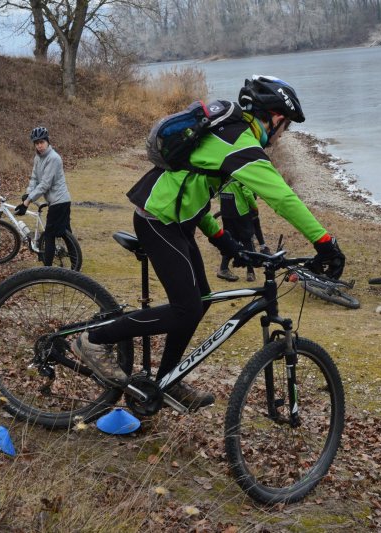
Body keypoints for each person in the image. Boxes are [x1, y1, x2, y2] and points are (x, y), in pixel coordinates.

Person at [72, 75, 345, 410]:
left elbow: (194, 188)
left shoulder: (229, 135)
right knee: (184, 307)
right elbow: (282, 197)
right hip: (157, 220)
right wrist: (324, 243)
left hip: (177, 221)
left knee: (198, 302)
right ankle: (94, 339)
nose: (282, 134)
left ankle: (167, 379)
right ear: (275, 118)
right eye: (285, 126)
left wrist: (222, 240)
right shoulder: (240, 143)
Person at [15, 127, 71, 267]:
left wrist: (27, 202)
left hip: (60, 201)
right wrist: (28, 193)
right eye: (36, 143)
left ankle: (47, 268)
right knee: (66, 232)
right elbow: (34, 178)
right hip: (55, 201)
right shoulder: (38, 158)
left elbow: (45, 184)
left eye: (42, 142)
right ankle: (75, 262)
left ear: (47, 142)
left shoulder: (54, 158)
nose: (39, 146)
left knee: (49, 235)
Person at [217, 180, 258, 282]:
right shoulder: (238, 175)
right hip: (241, 213)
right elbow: (248, 193)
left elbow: (218, 194)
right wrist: (254, 207)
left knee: (230, 241)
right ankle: (250, 272)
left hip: (226, 213)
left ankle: (223, 268)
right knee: (247, 241)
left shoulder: (220, 175)